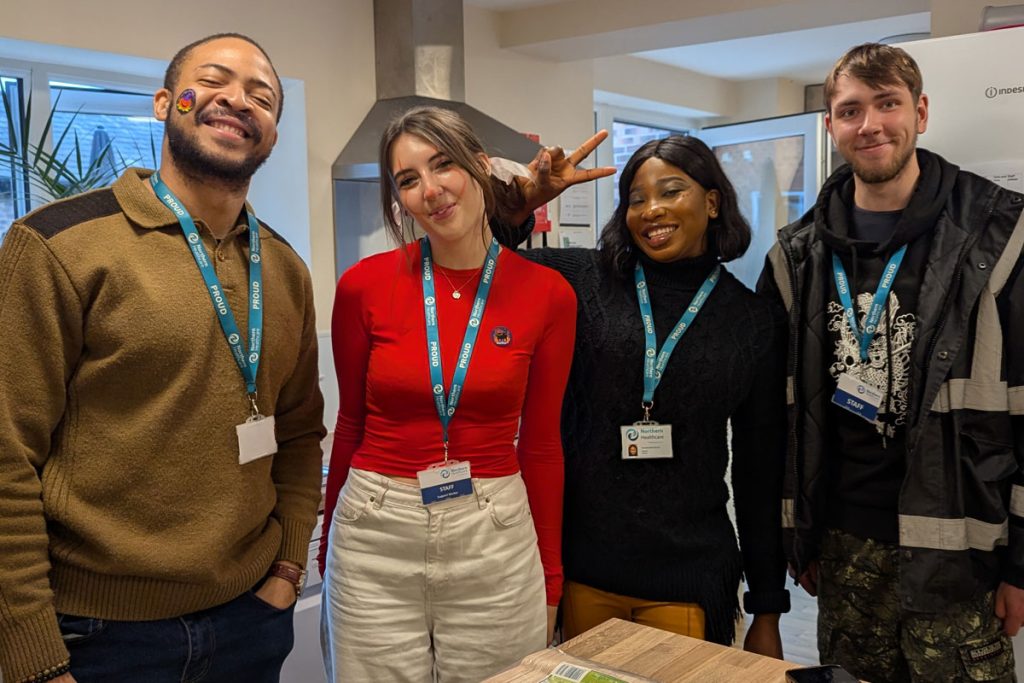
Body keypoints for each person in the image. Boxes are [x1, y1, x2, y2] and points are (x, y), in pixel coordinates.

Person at [0, 33, 325, 683]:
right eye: (214, 79)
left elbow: (298, 434)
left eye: (261, 95)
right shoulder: (56, 245)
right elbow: (7, 455)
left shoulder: (284, 267)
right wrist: (29, 648)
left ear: (272, 135)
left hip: (250, 616)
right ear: (163, 103)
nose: (237, 98)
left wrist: (289, 568)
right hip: (99, 635)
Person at [758, 42, 1024, 682]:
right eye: (851, 110)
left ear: (921, 112)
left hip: (963, 552)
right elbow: (777, 417)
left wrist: (1021, 566)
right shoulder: (797, 255)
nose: (870, 124)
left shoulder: (996, 233)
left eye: (888, 104)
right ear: (832, 127)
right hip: (844, 548)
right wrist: (803, 533)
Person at [500, 134, 790, 654]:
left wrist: (767, 607)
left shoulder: (752, 321)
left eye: (671, 191)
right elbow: (483, 265)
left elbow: (758, 470)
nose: (652, 209)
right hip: (584, 568)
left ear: (713, 201)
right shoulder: (583, 280)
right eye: (636, 198)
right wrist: (521, 208)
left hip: (690, 574)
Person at [318, 105, 577, 682]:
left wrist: (551, 574)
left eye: (443, 166)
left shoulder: (548, 294)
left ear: (479, 166)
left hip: (494, 530)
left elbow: (541, 445)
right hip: (374, 528)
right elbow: (352, 426)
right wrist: (327, 544)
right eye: (409, 180)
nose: (430, 190)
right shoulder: (363, 286)